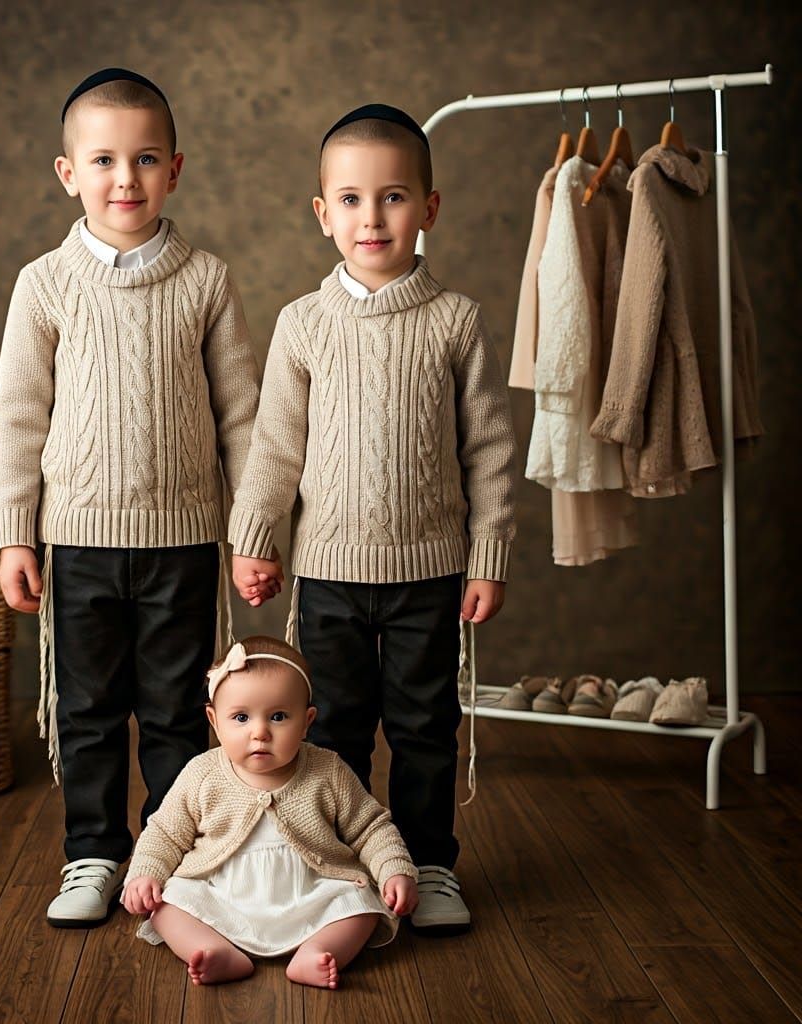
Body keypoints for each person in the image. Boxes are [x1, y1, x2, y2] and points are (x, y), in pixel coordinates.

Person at [228, 104, 516, 931]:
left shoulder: (454, 320)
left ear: (429, 208)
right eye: (350, 200)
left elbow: (489, 447)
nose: (372, 217)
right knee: (338, 731)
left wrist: (489, 555)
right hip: (327, 575)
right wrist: (256, 542)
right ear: (323, 214)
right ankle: (342, 868)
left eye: (392, 197)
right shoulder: (304, 325)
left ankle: (428, 867)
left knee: (425, 726)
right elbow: (275, 450)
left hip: (429, 570)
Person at [0, 68, 261, 927]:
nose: (125, 178)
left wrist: (253, 530)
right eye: (103, 159)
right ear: (68, 172)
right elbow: (19, 419)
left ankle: (174, 859)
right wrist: (15, 536)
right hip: (78, 541)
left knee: (179, 710)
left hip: (183, 538)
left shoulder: (206, 280)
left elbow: (244, 418)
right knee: (91, 709)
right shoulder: (44, 284)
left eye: (145, 159)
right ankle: (94, 855)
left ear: (174, 169)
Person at [122, 636, 418, 988]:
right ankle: (212, 948)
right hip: (221, 892)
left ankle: (317, 951)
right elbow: (166, 833)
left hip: (311, 891)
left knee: (362, 907)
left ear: (307, 721)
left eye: (278, 717)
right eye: (241, 717)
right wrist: (145, 874)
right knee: (166, 907)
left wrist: (394, 870)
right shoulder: (201, 773)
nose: (260, 732)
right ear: (214, 721)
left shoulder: (328, 770)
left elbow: (370, 828)